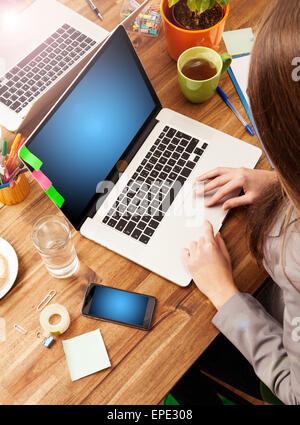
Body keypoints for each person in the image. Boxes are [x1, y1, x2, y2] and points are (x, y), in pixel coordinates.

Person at [181, 0, 300, 405]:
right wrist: (278, 182)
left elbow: (295, 388)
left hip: (277, 345)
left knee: (184, 368)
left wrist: (224, 294)